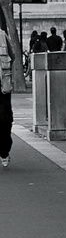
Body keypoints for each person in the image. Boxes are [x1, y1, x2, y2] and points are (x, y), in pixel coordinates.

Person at [0, 19, 15, 167]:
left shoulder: (2, 35)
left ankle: (4, 151)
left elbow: (13, 56)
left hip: (3, 86)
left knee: (5, 120)